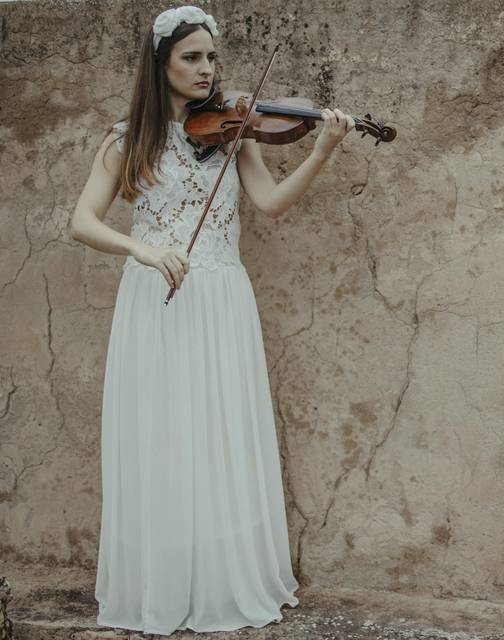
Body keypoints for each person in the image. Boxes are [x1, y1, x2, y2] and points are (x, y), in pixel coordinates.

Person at [69, 6, 354, 634]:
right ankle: (165, 585)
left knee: (220, 433)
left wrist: (324, 149)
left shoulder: (233, 132)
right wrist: (142, 249)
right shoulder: (126, 140)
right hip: (158, 298)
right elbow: (82, 221)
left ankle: (222, 579)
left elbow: (271, 204)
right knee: (165, 436)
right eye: (191, 57)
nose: (206, 69)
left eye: (211, 57)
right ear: (162, 63)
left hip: (224, 297)